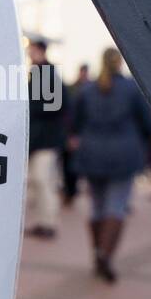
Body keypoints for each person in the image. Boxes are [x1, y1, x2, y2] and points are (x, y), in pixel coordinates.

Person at [68, 47, 151, 283]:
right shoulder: (132, 89)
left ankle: (98, 253)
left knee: (96, 207)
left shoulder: (87, 90)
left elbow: (74, 122)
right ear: (120, 63)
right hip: (123, 154)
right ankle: (105, 254)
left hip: (92, 152)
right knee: (116, 206)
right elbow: (148, 123)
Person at [25, 36, 67, 238]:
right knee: (37, 180)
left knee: (42, 180)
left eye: (32, 49)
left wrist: (30, 107)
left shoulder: (48, 73)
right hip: (39, 139)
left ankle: (48, 223)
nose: (29, 53)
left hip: (46, 139)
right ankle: (43, 222)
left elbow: (58, 104)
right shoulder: (38, 73)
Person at [62, 63, 90, 207]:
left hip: (85, 134)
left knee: (78, 165)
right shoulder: (72, 88)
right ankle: (70, 191)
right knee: (68, 164)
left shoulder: (92, 89)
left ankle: (72, 191)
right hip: (72, 132)